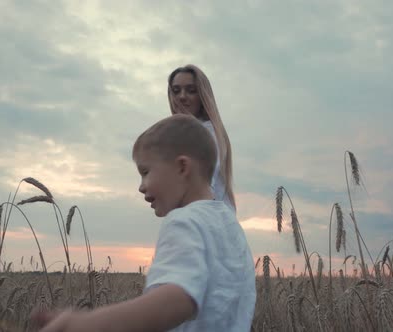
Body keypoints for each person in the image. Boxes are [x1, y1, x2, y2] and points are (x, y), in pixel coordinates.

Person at [32, 114, 256, 332]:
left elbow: (178, 302)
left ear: (182, 168)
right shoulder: (232, 226)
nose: (141, 186)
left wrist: (86, 324)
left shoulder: (184, 221)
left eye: (146, 172)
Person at [168, 65, 236, 212]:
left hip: (208, 221)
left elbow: (204, 184)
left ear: (202, 95)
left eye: (191, 90)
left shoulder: (206, 132)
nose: (182, 96)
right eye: (176, 91)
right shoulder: (180, 135)